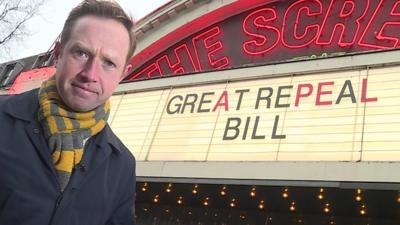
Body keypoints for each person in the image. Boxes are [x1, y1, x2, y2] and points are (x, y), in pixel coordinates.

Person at [0, 1, 136, 224]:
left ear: (122, 75)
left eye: (109, 63)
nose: (90, 74)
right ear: (59, 52)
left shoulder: (123, 166)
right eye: (81, 53)